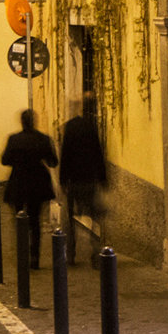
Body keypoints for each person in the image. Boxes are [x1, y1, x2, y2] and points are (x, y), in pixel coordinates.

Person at [0, 109, 59, 270]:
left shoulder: (14, 139)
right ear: (34, 122)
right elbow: (53, 162)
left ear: (22, 122)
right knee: (35, 222)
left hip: (18, 183)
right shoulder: (43, 139)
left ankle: (22, 254)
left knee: (19, 221)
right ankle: (35, 257)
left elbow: (5, 160)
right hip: (38, 184)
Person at [60, 93, 110, 269]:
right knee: (94, 217)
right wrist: (103, 179)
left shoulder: (71, 127)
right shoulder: (92, 127)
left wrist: (63, 180)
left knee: (70, 218)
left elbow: (65, 154)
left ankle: (70, 254)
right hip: (90, 179)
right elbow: (98, 153)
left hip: (73, 180)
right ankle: (96, 253)